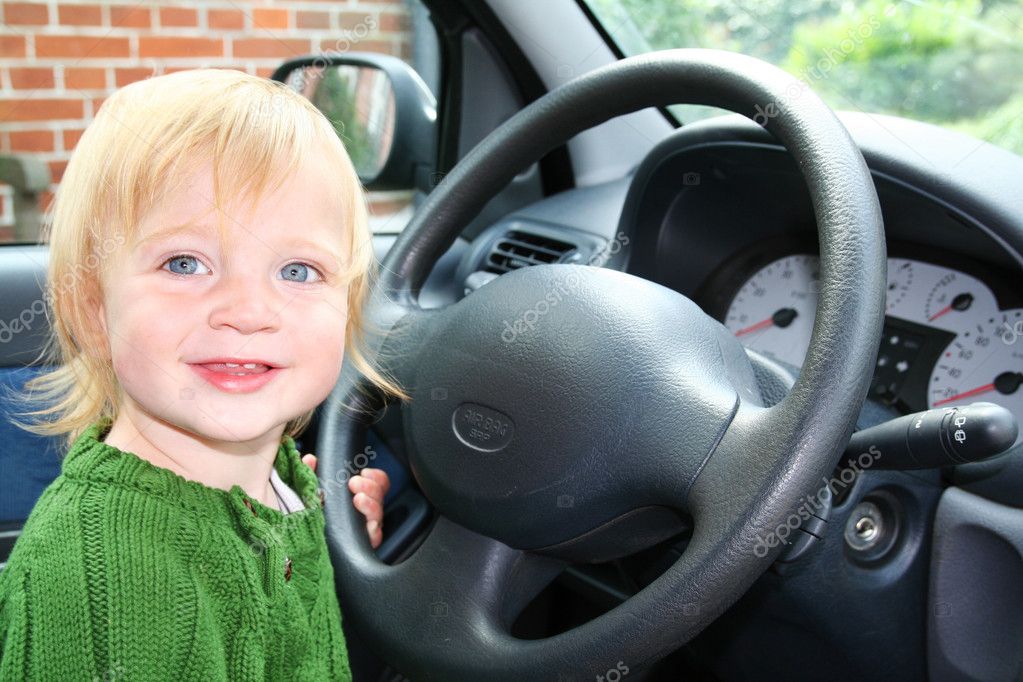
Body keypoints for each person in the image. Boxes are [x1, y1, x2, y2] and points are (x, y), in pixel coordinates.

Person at [0, 68, 407, 681]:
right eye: (185, 263)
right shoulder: (107, 586)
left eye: (297, 271)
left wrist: (324, 535)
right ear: (93, 311)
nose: (248, 310)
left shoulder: (278, 479)